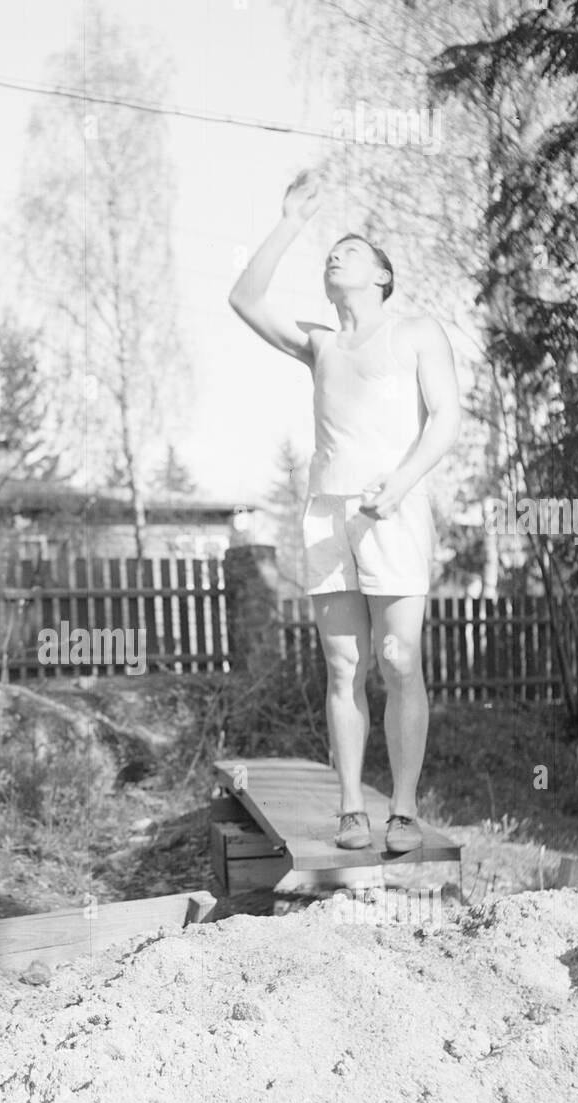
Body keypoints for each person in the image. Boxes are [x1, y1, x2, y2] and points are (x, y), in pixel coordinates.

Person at [228, 169, 461, 853]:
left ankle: (406, 809)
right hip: (326, 513)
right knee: (340, 667)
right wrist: (292, 220)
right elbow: (244, 297)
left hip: (393, 508)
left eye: (353, 250)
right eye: (332, 252)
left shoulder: (416, 331)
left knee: (397, 661)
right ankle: (353, 807)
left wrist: (401, 482)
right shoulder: (320, 343)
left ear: (384, 275)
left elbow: (446, 419)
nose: (338, 255)